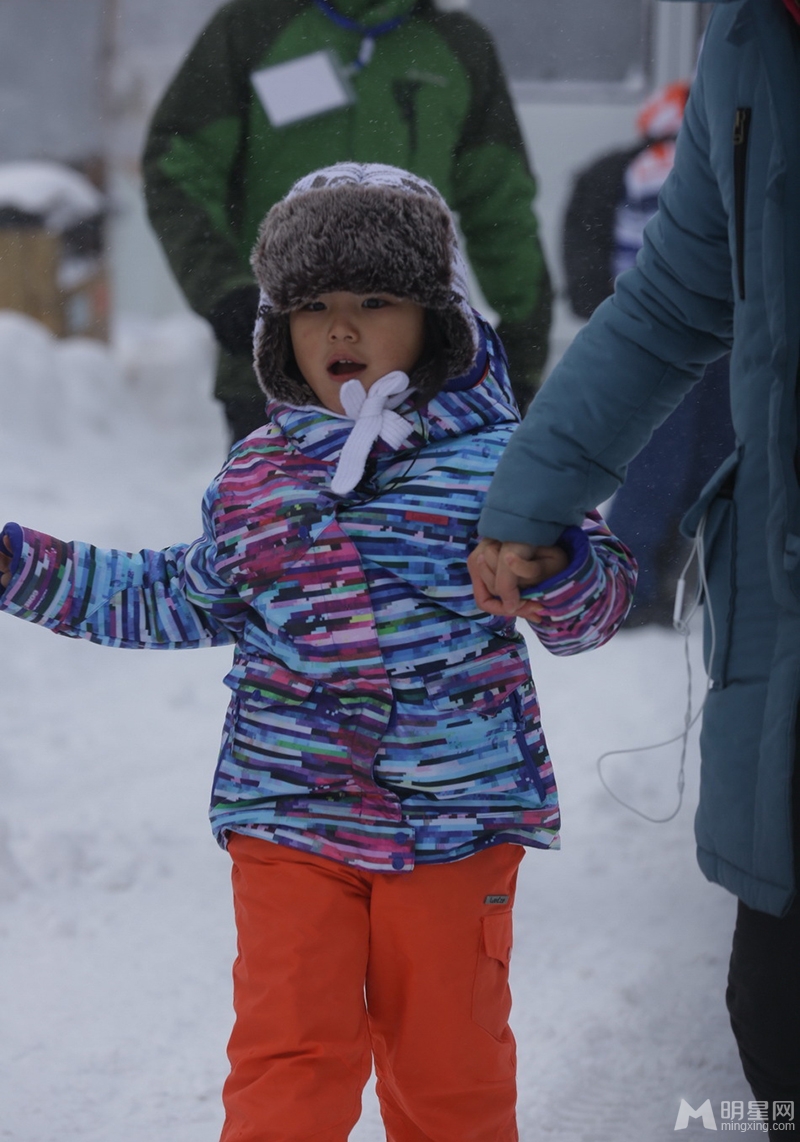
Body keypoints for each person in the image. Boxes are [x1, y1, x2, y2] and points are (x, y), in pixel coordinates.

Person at [0, 163, 633, 1142]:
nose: (341, 329)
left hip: (453, 821)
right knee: (287, 1054)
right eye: (312, 306)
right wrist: (15, 564)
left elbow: (594, 610)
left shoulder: (505, 464)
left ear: (433, 317)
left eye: (374, 301)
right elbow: (167, 593)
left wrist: (554, 564)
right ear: (276, 329)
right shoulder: (258, 476)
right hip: (286, 811)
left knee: (446, 1066)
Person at [468, 2, 800, 1137]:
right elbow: (666, 302)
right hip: (785, 593)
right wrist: (527, 501)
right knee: (775, 1017)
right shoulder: (748, 41)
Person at [142, 0, 552, 442]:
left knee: (434, 511)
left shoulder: (459, 46)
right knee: (266, 510)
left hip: (423, 386)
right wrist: (224, 292)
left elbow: (501, 204)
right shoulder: (252, 27)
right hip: (274, 374)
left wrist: (523, 343)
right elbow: (177, 169)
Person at [563, 79, 734, 625]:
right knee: (687, 458)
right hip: (705, 337)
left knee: (680, 456)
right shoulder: (693, 171)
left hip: (659, 336)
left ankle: (656, 578)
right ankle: (646, 584)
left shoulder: (629, 167)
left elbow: (589, 248)